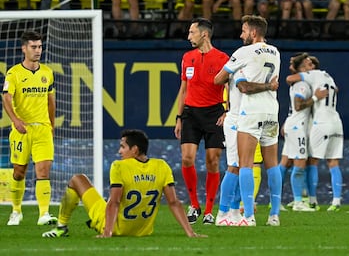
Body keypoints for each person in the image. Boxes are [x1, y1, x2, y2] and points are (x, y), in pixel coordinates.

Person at [42, 129, 205, 238]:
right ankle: (83, 225)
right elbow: (174, 202)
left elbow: (114, 202)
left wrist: (107, 232)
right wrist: (190, 232)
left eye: (122, 147)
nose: (119, 151)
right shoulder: (161, 166)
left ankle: (61, 227)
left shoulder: (119, 166)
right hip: (143, 232)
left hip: (114, 227)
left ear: (134, 150)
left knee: (77, 179)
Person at [214, 15, 282, 226]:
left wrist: (228, 73)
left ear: (253, 33)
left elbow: (218, 79)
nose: (241, 35)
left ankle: (247, 216)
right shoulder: (275, 52)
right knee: (272, 165)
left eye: (243, 31)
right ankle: (274, 216)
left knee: (243, 165)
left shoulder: (243, 53)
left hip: (249, 112)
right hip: (272, 111)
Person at [174, 17, 229, 225]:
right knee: (187, 158)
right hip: (191, 114)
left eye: (191, 33)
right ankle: (194, 205)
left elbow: (229, 88)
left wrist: (227, 111)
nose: (189, 37)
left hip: (214, 113)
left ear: (203, 34)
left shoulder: (223, 58)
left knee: (212, 161)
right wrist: (179, 117)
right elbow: (184, 89)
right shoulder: (187, 57)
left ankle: (208, 210)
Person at [2, 31, 57, 226]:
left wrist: (52, 124)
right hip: (21, 130)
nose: (38, 50)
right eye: (34, 47)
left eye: (40, 47)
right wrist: (15, 120)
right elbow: (6, 97)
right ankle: (16, 211)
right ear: (24, 48)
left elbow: (51, 100)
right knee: (19, 171)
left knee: (43, 170)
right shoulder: (14, 73)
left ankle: (44, 213)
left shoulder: (47, 73)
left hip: (42, 128)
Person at [286, 57, 344, 212]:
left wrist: (312, 91)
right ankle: (336, 201)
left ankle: (312, 201)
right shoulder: (328, 77)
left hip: (321, 122)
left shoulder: (313, 75)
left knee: (312, 161)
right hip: (336, 121)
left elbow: (289, 78)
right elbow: (336, 89)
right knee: (333, 162)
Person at [282, 53, 327, 212]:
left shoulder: (304, 83)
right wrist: (316, 98)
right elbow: (299, 105)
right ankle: (298, 202)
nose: (312, 67)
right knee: (300, 163)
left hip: (293, 124)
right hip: (298, 127)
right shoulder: (303, 84)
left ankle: (276, 201)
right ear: (301, 69)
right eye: (308, 65)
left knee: (285, 163)